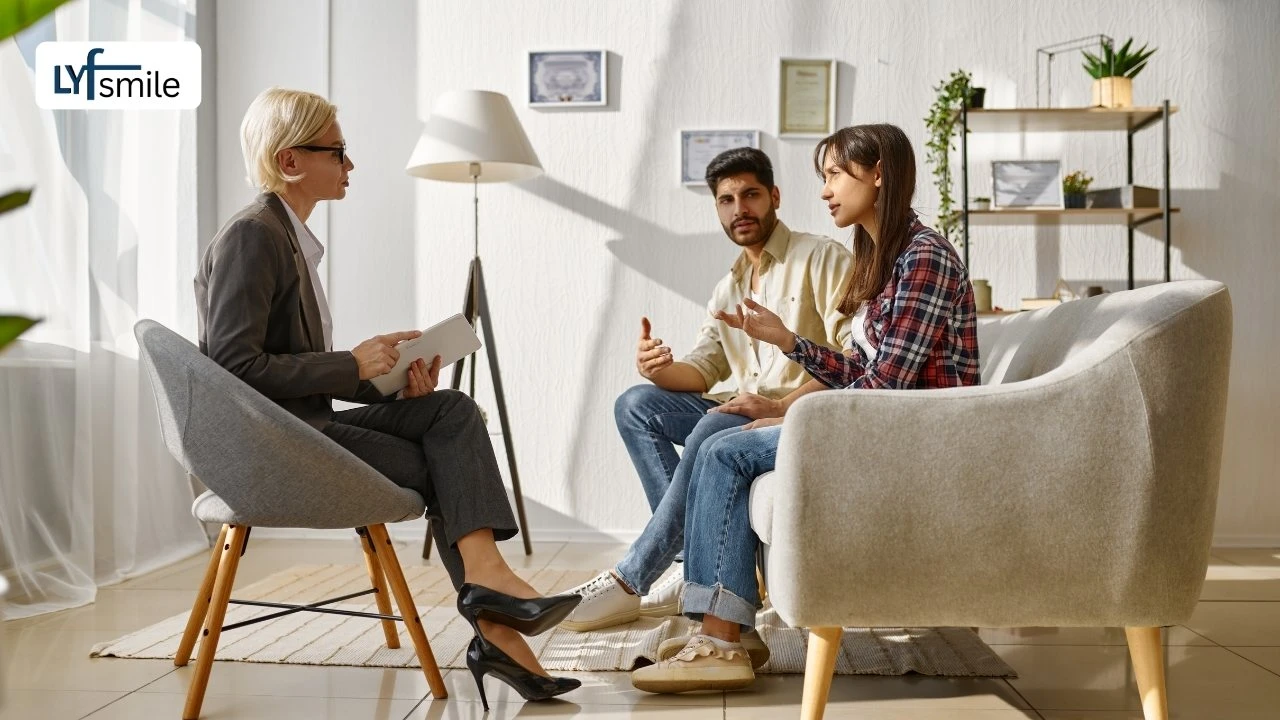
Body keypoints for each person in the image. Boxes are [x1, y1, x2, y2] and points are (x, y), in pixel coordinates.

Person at [194, 87, 579, 709]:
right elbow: (233, 367)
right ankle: (498, 624)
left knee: (450, 409)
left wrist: (383, 375)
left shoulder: (285, 237)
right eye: (338, 152)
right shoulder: (253, 237)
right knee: (446, 467)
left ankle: (491, 592)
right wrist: (349, 363)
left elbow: (284, 363)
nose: (351, 165)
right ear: (291, 161)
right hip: (277, 445)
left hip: (304, 425)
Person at [630, 123, 981, 693]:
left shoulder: (925, 257)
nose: (825, 191)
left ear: (878, 174)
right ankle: (729, 631)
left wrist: (791, 414)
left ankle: (718, 639)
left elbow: (888, 386)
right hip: (878, 421)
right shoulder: (884, 257)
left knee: (724, 448)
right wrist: (789, 341)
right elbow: (864, 370)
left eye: (835, 174)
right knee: (719, 435)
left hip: (911, 435)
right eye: (824, 177)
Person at [560, 149, 854, 660]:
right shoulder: (730, 285)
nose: (739, 207)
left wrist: (780, 405)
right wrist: (656, 366)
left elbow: (853, 361)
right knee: (636, 404)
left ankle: (633, 578)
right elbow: (700, 370)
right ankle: (689, 560)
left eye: (750, 194)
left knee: (714, 425)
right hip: (744, 411)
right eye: (726, 199)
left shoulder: (821, 257)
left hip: (799, 415)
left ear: (774, 197)